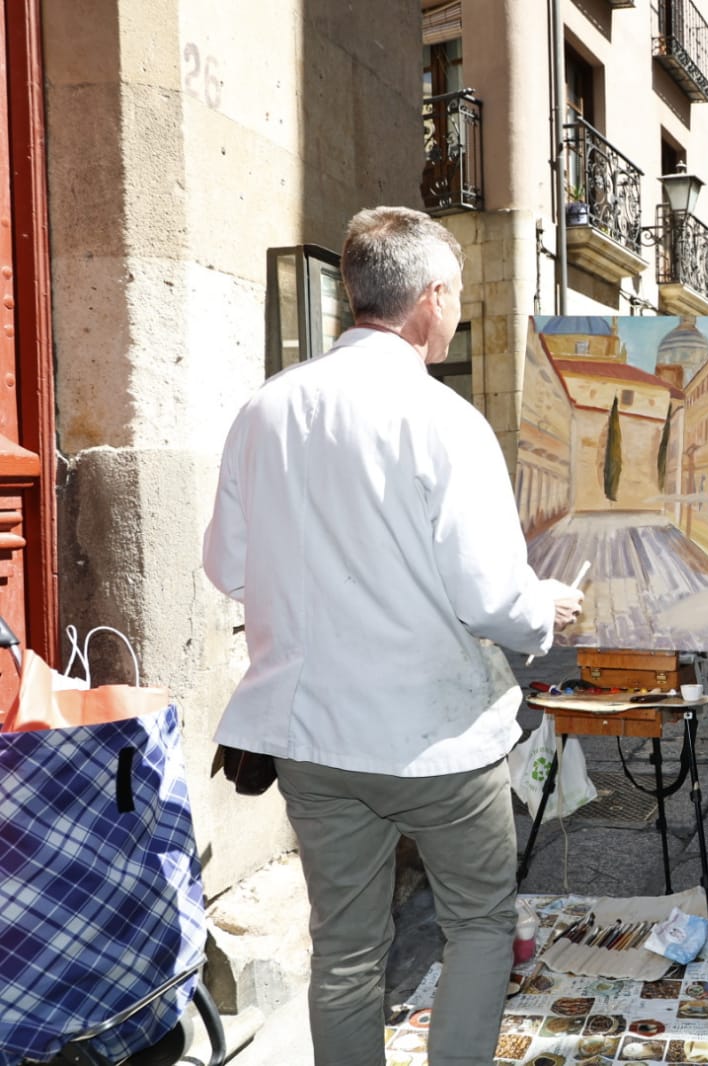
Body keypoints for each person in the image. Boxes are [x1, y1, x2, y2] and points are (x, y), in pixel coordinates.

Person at [203, 206, 584, 1065]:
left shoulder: (266, 409)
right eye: (450, 296)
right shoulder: (444, 419)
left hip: (310, 737)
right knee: (480, 926)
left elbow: (229, 569)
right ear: (432, 298)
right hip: (436, 743)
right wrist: (544, 610)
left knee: (343, 948)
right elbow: (491, 599)